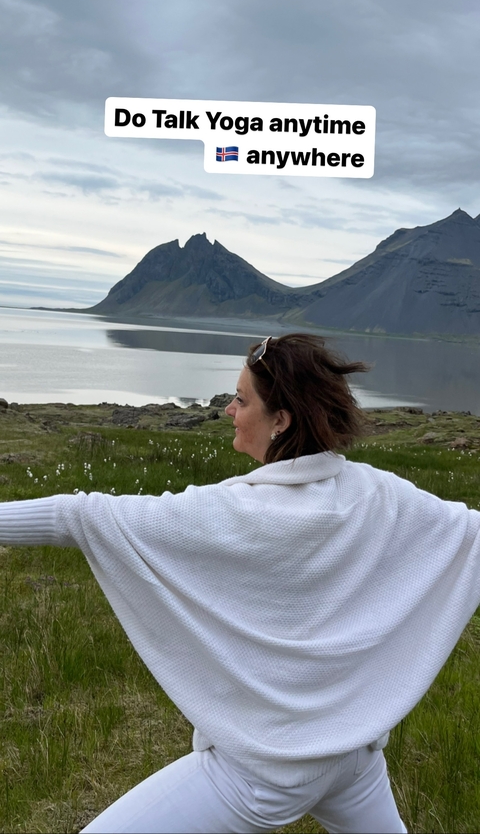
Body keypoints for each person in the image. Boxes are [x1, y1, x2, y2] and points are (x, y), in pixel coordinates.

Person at [1, 333, 479, 834]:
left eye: (242, 399)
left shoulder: (232, 512)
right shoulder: (379, 493)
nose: (229, 409)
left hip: (262, 776)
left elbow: (78, 516)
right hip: (352, 759)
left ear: (281, 420)